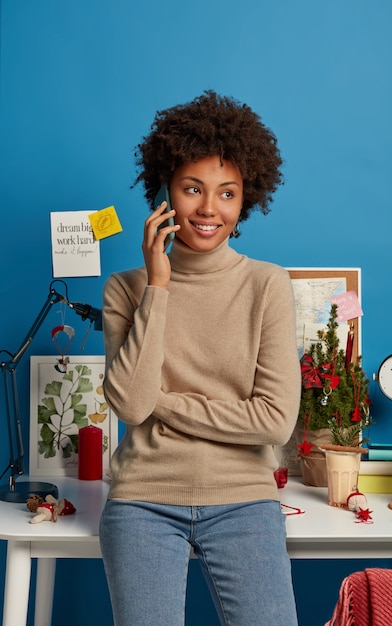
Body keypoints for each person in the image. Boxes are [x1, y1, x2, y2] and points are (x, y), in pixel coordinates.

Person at [99, 90, 301, 626]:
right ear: (166, 190)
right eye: (193, 189)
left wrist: (163, 402)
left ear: (245, 201)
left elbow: (274, 421)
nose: (209, 209)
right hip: (143, 499)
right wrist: (158, 286)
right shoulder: (127, 288)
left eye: (227, 193)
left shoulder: (266, 284)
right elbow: (130, 407)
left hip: (244, 500)